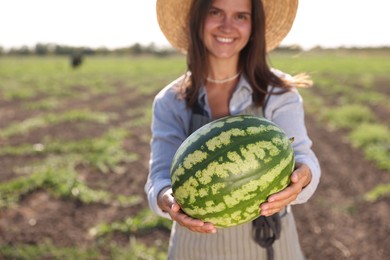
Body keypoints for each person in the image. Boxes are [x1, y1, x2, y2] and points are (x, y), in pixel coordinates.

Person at [145, 0, 321, 259]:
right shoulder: (170, 101)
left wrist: (302, 178)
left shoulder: (279, 91)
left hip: (270, 248)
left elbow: (304, 158)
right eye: (215, 12)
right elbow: (159, 177)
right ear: (198, 18)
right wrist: (170, 200)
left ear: (253, 26)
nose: (227, 26)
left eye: (241, 16)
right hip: (193, 249)